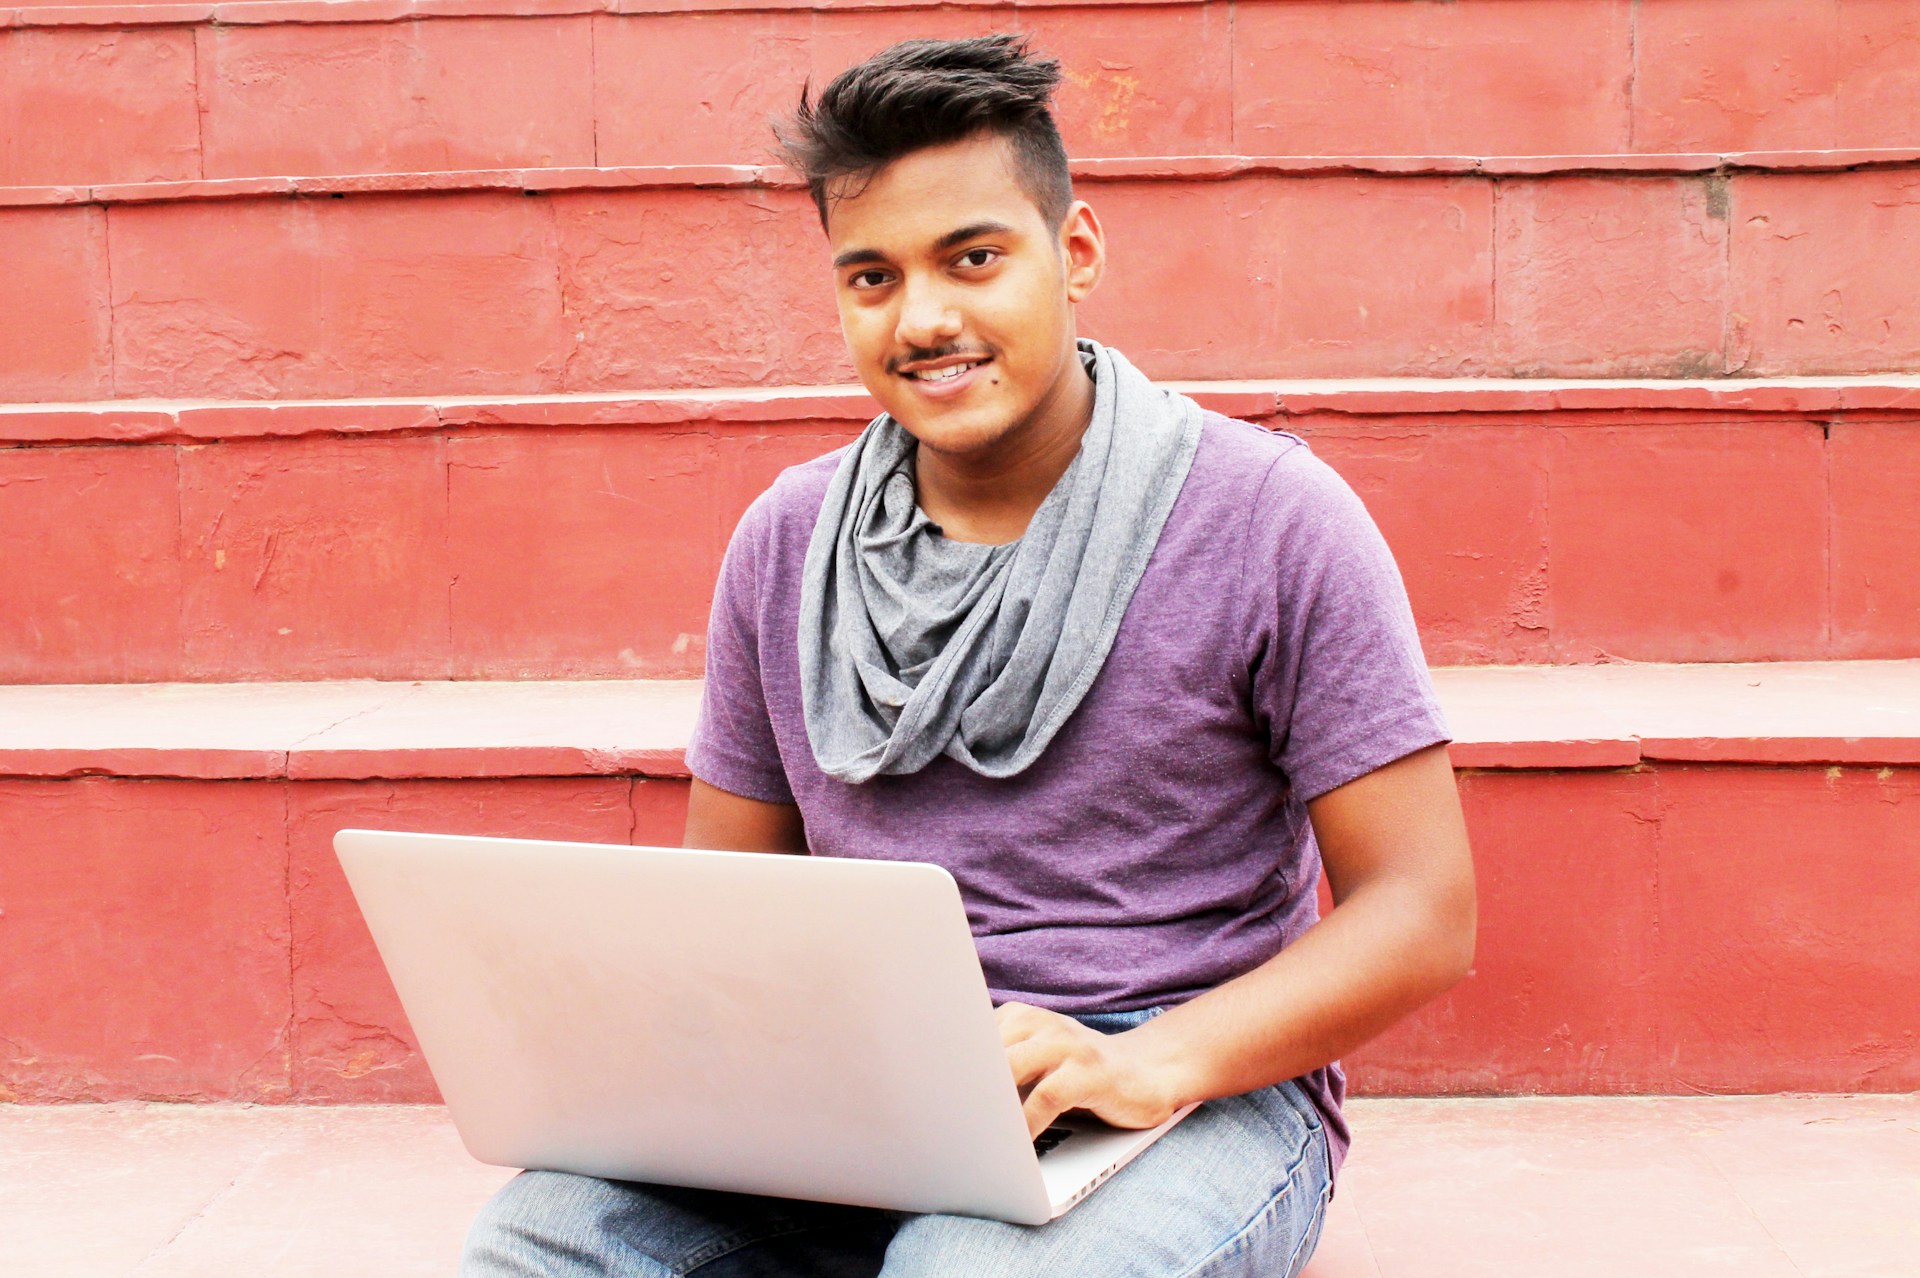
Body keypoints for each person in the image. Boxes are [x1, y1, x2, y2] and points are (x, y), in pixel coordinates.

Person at [464, 34, 1475, 1277]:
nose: (926, 317)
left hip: (1179, 1083)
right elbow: (728, 913)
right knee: (539, 1241)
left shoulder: (1272, 518)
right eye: (872, 277)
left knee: (966, 1269)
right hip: (856, 1088)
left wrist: (1144, 1064)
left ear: (1078, 251)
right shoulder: (789, 541)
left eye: (975, 258)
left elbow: (1425, 911)